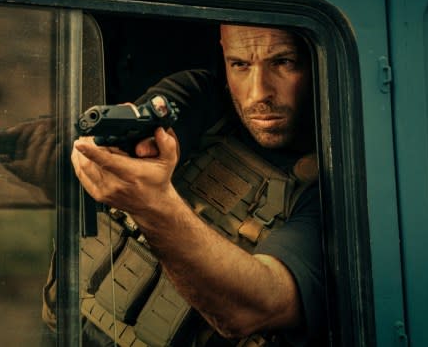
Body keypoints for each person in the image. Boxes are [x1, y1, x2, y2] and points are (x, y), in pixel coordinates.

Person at [68, 24, 325, 346]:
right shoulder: (204, 95)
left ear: (318, 59)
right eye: (240, 64)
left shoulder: (342, 178)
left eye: (284, 62)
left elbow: (254, 308)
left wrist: (154, 204)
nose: (259, 92)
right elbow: (143, 132)